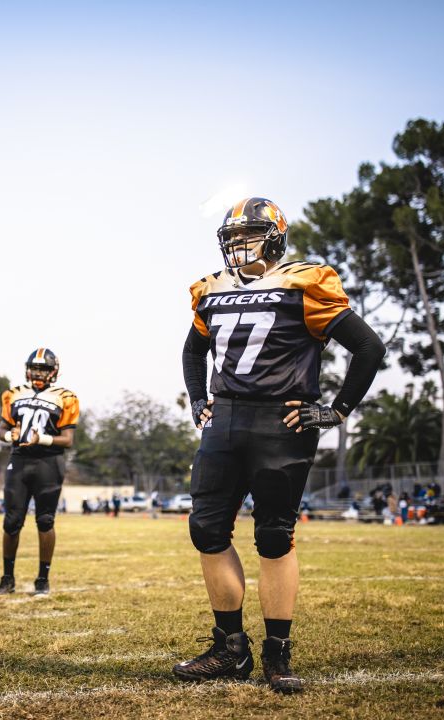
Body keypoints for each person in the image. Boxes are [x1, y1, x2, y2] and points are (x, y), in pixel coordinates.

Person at [173, 197, 385, 693]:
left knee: (273, 536)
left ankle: (277, 652)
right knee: (206, 530)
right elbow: (193, 348)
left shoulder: (305, 282)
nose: (236, 248)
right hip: (223, 422)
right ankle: (229, 647)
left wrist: (337, 409)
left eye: (246, 237)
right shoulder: (212, 288)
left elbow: (369, 347)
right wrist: (198, 397)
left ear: (273, 237)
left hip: (281, 422)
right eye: (231, 239)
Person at [0, 348, 80, 597]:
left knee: (45, 520)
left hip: (48, 462)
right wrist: (10, 435)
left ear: (53, 372)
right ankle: (7, 579)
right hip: (19, 460)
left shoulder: (66, 397)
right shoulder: (13, 394)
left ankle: (43, 579)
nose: (38, 373)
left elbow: (68, 439)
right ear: (27, 369)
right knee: (11, 522)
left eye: (43, 369)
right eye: (35, 368)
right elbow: (1, 430)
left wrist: (43, 439)